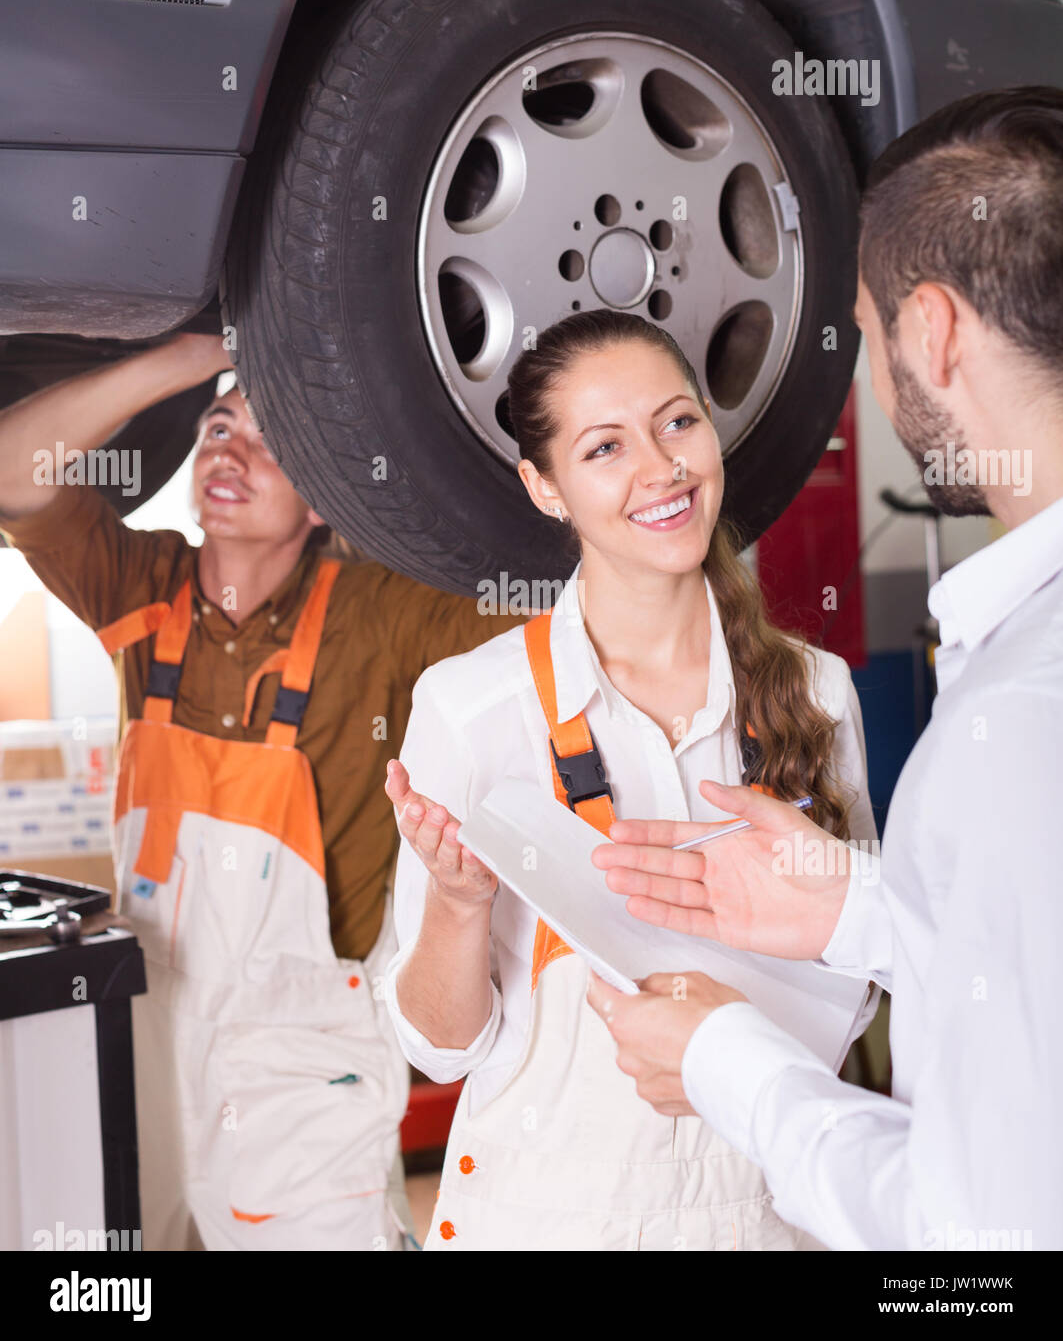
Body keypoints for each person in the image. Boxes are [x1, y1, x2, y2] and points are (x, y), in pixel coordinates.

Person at [587, 86, 1063, 1251]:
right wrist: (863, 906)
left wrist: (725, 1064)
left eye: (872, 327)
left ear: (936, 331)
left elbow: (980, 1245)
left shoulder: (1019, 715)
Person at [381, 307, 884, 1251]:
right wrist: (454, 903)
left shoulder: (817, 691)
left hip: (761, 1212)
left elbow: (857, 983)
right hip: (542, 1219)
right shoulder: (472, 707)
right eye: (605, 446)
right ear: (545, 487)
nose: (661, 468)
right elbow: (439, 1049)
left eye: (678, 421)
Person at [0, 333, 513, 1251]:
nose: (229, 450)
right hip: (146, 1019)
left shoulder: (381, 614)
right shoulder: (141, 587)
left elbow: (547, 614)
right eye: (218, 427)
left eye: (271, 439)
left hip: (305, 1048)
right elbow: (12, 468)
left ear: (326, 493)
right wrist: (189, 358)